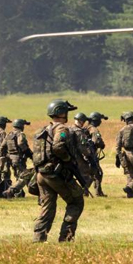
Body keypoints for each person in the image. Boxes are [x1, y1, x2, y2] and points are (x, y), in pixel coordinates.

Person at [32, 99, 85, 243]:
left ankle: (38, 237)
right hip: (56, 174)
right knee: (76, 202)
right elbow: (57, 146)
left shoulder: (43, 130)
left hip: (41, 174)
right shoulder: (61, 129)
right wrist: (67, 159)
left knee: (47, 207)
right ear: (62, 113)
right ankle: (66, 237)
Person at [1, 119, 33, 199]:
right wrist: (28, 152)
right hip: (19, 158)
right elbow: (21, 143)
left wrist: (6, 155)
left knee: (18, 175)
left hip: (11, 159)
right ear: (21, 126)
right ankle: (10, 191)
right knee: (24, 176)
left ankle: (19, 194)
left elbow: (2, 146)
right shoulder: (20, 134)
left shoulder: (9, 134)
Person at [70, 112, 94, 195]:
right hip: (77, 157)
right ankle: (83, 192)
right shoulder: (79, 132)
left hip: (68, 156)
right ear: (81, 121)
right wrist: (89, 156)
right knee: (88, 175)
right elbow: (82, 147)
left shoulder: (68, 129)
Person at [87, 112, 108, 197]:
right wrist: (102, 145)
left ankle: (98, 192)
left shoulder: (86, 128)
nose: (100, 122)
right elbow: (97, 141)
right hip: (91, 155)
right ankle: (84, 191)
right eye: (99, 120)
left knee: (95, 173)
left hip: (86, 154)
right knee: (96, 173)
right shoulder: (94, 130)